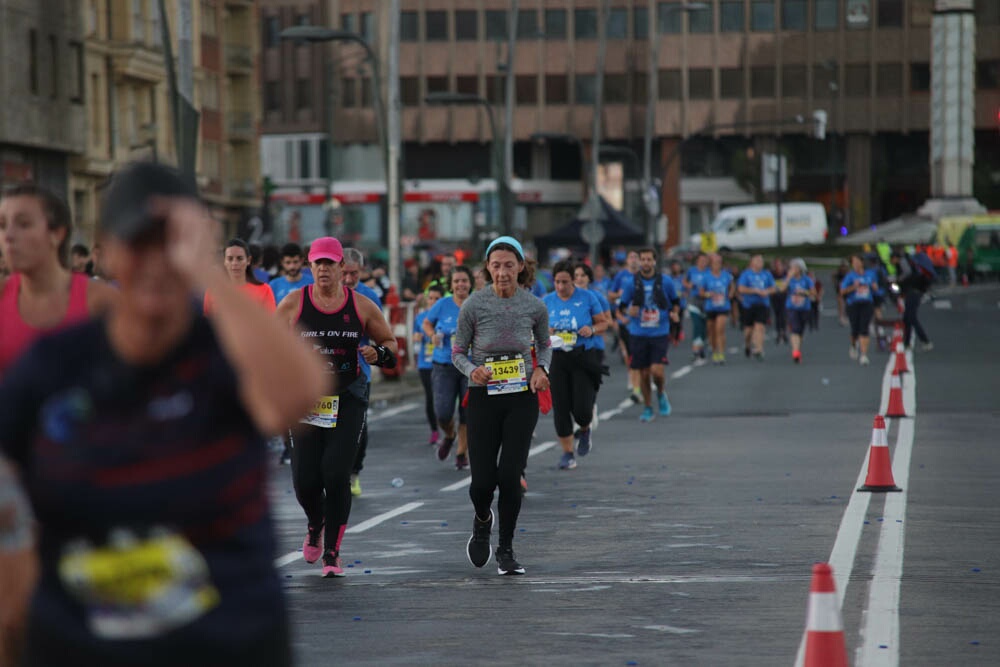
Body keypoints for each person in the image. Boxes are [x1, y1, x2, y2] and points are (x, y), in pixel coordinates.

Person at [0, 161, 325, 666]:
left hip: (230, 645)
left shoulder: (226, 357)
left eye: (169, 242)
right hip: (84, 647)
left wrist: (208, 272)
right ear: (108, 251)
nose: (156, 262)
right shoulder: (54, 368)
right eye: (138, 243)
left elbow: (300, 393)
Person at [276, 237, 397, 578]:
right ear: (309, 266)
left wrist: (380, 354)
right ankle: (316, 523)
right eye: (319, 263)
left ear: (342, 266)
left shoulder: (360, 306)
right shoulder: (293, 303)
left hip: (347, 396)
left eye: (331, 263)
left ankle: (332, 552)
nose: (325, 269)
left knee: (335, 472)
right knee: (304, 480)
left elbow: (389, 343)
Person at [453, 236, 550, 575]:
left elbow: (545, 345)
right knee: (481, 483)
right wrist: (472, 370)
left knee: (510, 476)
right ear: (487, 269)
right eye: (496, 265)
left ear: (521, 267)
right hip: (483, 398)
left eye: (510, 264)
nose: (503, 271)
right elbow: (457, 352)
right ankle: (482, 520)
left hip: (521, 397)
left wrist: (541, 369)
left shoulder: (534, 306)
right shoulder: (473, 306)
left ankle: (506, 549)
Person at [0, 183, 118, 380]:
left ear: (57, 234)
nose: (9, 236)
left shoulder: (101, 301)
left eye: (24, 224)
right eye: (2, 225)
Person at [543, 261, 609, 469]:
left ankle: (585, 428)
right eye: (557, 282)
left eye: (565, 282)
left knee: (581, 408)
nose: (561, 286)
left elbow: (603, 323)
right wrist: (547, 331)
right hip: (557, 359)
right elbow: (535, 329)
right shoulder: (546, 301)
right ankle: (567, 453)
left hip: (582, 356)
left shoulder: (588, 297)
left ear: (573, 280)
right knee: (561, 408)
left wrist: (592, 329)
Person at [618, 248, 681, 423]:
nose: (645, 263)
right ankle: (647, 406)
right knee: (644, 374)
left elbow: (676, 303)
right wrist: (627, 313)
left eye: (648, 259)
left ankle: (660, 393)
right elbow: (621, 307)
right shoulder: (632, 283)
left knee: (657, 371)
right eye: (642, 259)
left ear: (654, 262)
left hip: (659, 331)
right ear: (639, 262)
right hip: (638, 332)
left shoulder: (665, 281)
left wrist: (675, 313)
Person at [341, 248, 385, 496]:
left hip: (359, 373)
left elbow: (383, 338)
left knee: (358, 426)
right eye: (345, 273)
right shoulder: (325, 294)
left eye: (354, 274)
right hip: (328, 373)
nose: (348, 279)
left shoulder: (369, 297)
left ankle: (354, 472)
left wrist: (375, 350)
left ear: (362, 271)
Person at [423, 266, 474, 469]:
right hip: (444, 364)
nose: (460, 284)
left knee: (467, 412)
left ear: (470, 283)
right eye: (456, 281)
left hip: (470, 366)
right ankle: (449, 435)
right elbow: (427, 323)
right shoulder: (442, 304)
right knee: (442, 412)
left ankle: (462, 453)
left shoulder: (476, 304)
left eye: (464, 280)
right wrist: (432, 335)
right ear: (451, 285)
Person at [203, 238, 275, 314]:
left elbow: (271, 322)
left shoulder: (264, 290)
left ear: (248, 260)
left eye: (239, 258)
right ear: (224, 261)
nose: (235, 263)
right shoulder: (213, 290)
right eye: (230, 259)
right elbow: (206, 322)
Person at [413, 287, 444, 447]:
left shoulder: (445, 316)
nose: (433, 301)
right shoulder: (420, 318)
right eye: (431, 298)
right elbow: (414, 338)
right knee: (430, 397)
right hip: (425, 363)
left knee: (443, 398)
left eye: (437, 298)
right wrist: (417, 337)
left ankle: (447, 426)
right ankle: (434, 430)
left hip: (443, 362)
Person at [608, 250, 641, 401]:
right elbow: (611, 295)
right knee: (627, 352)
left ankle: (640, 378)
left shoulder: (644, 276)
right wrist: (620, 294)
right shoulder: (621, 276)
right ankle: (632, 375)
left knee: (640, 351)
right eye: (631, 257)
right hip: (623, 317)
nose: (634, 260)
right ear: (627, 260)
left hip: (640, 320)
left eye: (636, 258)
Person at [891, 251, 934, 351]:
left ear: (895, 258)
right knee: (907, 319)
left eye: (892, 259)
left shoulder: (903, 264)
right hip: (913, 292)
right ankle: (907, 343)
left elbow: (906, 275)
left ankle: (925, 341)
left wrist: (898, 280)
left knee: (911, 317)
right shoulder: (909, 264)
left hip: (913, 293)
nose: (891, 262)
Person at [737, 254, 775, 361]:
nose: (760, 263)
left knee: (760, 326)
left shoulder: (766, 274)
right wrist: (755, 291)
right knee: (748, 330)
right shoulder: (746, 274)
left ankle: (759, 349)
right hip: (749, 304)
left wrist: (766, 291)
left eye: (761, 261)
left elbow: (773, 287)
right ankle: (748, 344)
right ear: (752, 263)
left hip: (762, 304)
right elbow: (741, 289)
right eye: (757, 261)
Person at [839, 254, 876, 365]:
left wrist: (873, 286)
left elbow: (875, 287)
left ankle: (864, 355)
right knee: (855, 328)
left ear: (862, 262)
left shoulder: (870, 274)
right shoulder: (850, 276)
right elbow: (842, 291)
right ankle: (854, 345)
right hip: (853, 304)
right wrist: (853, 287)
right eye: (853, 262)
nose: (855, 264)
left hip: (867, 303)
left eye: (857, 262)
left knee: (864, 328)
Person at [701, 253, 735, 365]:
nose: (717, 265)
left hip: (723, 306)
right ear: (711, 265)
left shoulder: (726, 275)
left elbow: (732, 286)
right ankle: (715, 350)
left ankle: (721, 352)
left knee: (720, 329)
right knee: (711, 331)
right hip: (710, 307)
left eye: (719, 263)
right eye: (715, 263)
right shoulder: (706, 276)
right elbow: (701, 292)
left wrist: (730, 294)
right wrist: (708, 294)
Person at [785, 258, 817, 363]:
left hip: (804, 308)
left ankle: (797, 349)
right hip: (792, 308)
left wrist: (804, 292)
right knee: (794, 329)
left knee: (800, 331)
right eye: (792, 267)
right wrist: (788, 278)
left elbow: (813, 293)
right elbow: (781, 289)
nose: (793, 269)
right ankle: (795, 352)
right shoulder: (789, 279)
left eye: (795, 267)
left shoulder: (806, 279)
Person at [684, 252, 709, 362]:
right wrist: (689, 285)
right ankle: (695, 349)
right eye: (701, 260)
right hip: (694, 300)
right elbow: (684, 281)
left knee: (705, 327)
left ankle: (701, 347)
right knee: (697, 325)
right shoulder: (692, 271)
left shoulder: (709, 272)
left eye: (705, 260)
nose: (703, 262)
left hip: (707, 301)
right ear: (697, 261)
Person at [769, 258, 789, 345]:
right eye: (776, 265)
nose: (777, 267)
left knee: (783, 315)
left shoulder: (785, 274)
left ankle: (784, 332)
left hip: (784, 297)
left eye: (779, 265)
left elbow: (789, 284)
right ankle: (778, 333)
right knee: (777, 316)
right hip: (775, 297)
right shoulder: (771, 274)